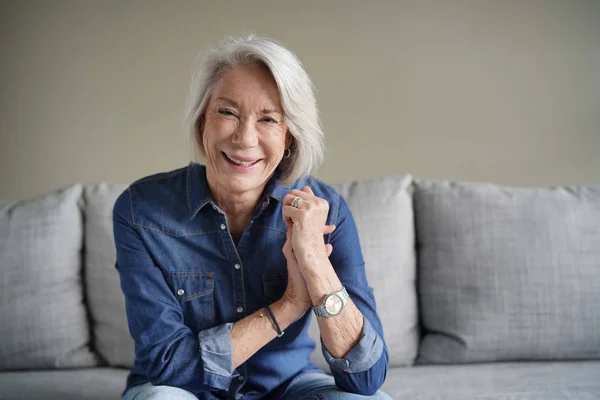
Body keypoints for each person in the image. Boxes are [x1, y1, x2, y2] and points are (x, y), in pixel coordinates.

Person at [113, 34, 391, 400]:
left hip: (288, 387)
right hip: (185, 392)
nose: (245, 138)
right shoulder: (141, 211)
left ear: (290, 136)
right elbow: (169, 366)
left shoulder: (325, 210)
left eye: (269, 119)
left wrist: (313, 265)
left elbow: (367, 378)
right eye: (227, 112)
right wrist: (289, 305)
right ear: (202, 122)